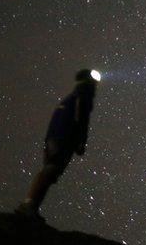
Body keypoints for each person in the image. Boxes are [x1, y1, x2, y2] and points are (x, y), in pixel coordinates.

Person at [16, 68, 100, 220]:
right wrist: (81, 141)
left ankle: (30, 205)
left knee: (49, 169)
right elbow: (81, 118)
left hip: (53, 137)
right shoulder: (83, 95)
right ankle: (28, 206)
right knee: (51, 169)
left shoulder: (71, 97)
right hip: (64, 137)